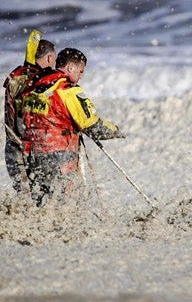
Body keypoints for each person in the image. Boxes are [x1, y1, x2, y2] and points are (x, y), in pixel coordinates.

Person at [21, 48, 125, 206]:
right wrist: (117, 131)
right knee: (69, 203)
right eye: (81, 71)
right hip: (61, 155)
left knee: (42, 203)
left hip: (33, 155)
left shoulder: (33, 89)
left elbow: (24, 122)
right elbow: (92, 126)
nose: (81, 76)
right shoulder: (68, 90)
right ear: (71, 68)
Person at [3, 30, 56, 194]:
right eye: (54, 59)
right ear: (48, 58)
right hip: (29, 148)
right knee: (41, 197)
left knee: (25, 198)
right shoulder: (38, 81)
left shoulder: (17, 77)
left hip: (12, 148)